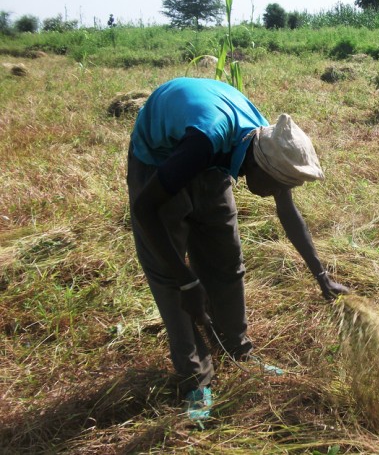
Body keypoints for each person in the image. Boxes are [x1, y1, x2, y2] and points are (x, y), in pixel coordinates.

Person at [126, 77, 348, 420]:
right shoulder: (208, 140)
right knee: (171, 280)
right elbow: (145, 210)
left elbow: (288, 212)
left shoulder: (266, 143)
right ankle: (195, 380)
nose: (279, 191)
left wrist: (321, 275)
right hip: (161, 159)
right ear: (260, 166)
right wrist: (186, 280)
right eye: (278, 184)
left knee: (226, 263)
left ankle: (237, 351)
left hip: (207, 155)